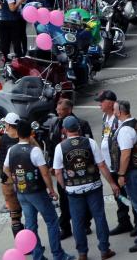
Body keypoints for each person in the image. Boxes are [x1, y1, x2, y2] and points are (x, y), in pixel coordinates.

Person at [4, 119, 74, 260]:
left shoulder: (11, 150)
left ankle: (37, 255)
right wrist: (52, 190)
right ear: (31, 133)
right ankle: (58, 254)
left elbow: (6, 168)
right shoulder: (34, 150)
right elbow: (45, 173)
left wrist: (15, 178)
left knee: (30, 225)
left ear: (17, 133)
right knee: (51, 221)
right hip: (37, 191)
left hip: (22, 192)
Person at [52, 116, 118, 260]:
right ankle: (104, 250)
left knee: (77, 221)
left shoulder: (60, 147)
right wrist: (112, 183)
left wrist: (64, 186)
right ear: (78, 128)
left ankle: (82, 254)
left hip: (73, 189)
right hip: (93, 185)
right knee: (99, 217)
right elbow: (101, 165)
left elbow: (57, 171)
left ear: (64, 130)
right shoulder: (90, 142)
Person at [110, 99, 137, 252]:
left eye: (115, 110)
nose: (114, 113)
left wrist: (121, 174)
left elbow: (125, 155)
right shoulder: (135, 123)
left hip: (132, 171)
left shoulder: (125, 130)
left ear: (120, 112)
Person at [47, 99, 93, 241]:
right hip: (62, 170)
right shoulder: (55, 123)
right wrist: (51, 164)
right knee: (64, 200)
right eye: (57, 108)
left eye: (60, 109)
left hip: (79, 169)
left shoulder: (82, 124)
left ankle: (85, 224)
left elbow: (88, 147)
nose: (57, 111)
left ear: (69, 110)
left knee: (82, 198)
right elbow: (51, 145)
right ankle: (65, 227)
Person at [96, 90, 135, 236]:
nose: (99, 104)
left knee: (130, 194)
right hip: (110, 164)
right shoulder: (105, 117)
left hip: (120, 165)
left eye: (101, 101)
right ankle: (124, 222)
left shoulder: (119, 118)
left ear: (111, 103)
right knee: (118, 195)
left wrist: (122, 171)